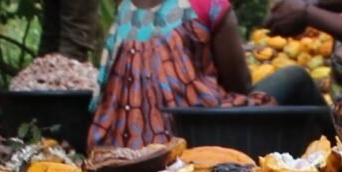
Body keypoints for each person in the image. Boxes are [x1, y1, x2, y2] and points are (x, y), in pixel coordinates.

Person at [89, 0, 325, 150]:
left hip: (122, 143)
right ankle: (341, 150)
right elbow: (240, 85)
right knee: (296, 76)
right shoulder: (210, 5)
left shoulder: (125, 8)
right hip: (192, 136)